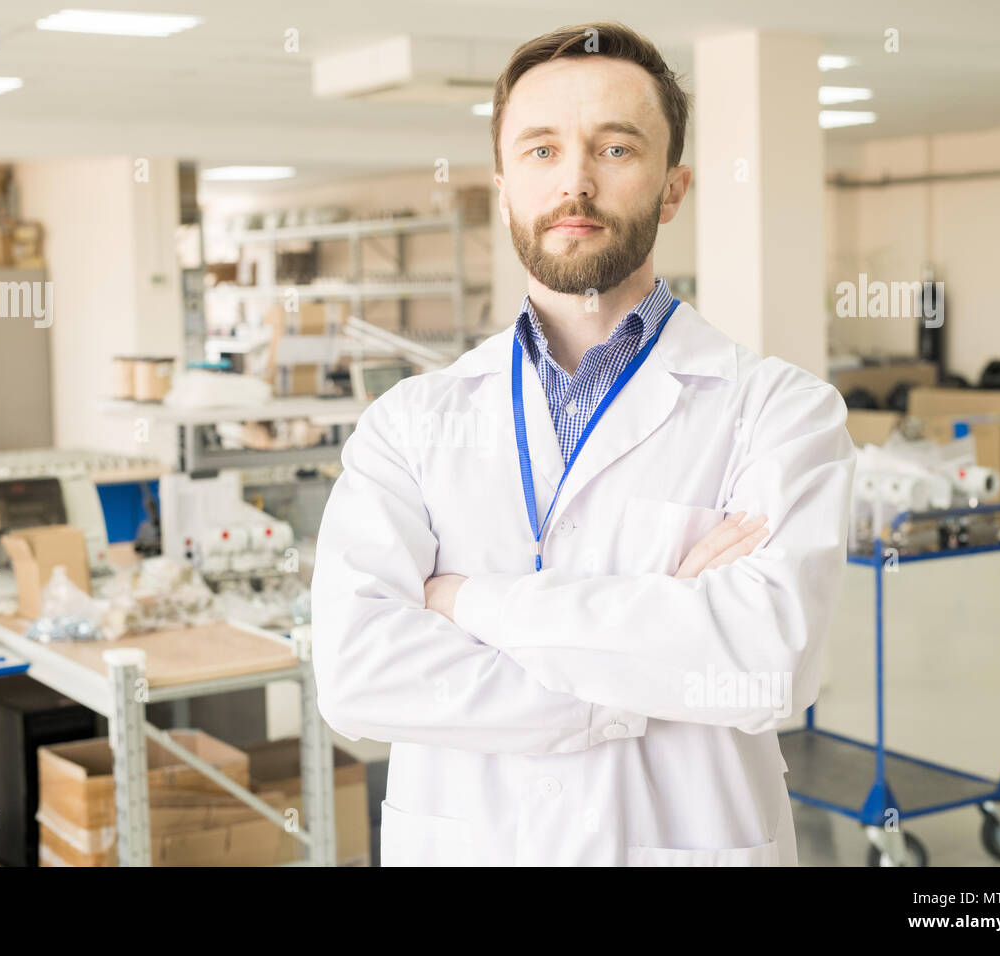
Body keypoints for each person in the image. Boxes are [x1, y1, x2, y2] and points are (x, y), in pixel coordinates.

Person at [310, 20, 856, 866]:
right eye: (540, 151)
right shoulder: (410, 424)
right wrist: (638, 667)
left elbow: (764, 664)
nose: (574, 182)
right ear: (502, 187)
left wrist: (463, 602)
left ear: (673, 190)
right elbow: (357, 674)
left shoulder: (782, 411)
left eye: (614, 148)